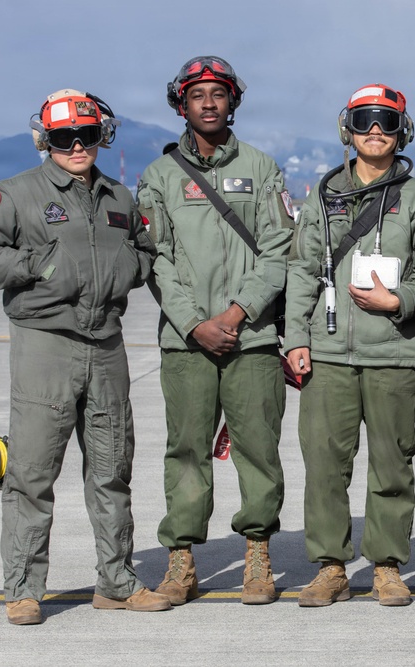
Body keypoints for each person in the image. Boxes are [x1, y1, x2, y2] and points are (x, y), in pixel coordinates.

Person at [0, 89, 169, 625]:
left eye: (88, 135)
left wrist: (126, 272)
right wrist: (43, 268)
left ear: (103, 136)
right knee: (31, 471)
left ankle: (117, 582)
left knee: (112, 468)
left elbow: (144, 254)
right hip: (45, 346)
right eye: (63, 137)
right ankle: (24, 589)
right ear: (45, 140)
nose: (77, 146)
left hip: (107, 347)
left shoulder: (120, 197)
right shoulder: (16, 194)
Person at [137, 56, 294, 606]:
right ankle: (181, 561)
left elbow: (279, 250)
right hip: (186, 343)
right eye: (197, 94)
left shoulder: (262, 167)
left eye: (218, 94)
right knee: (186, 449)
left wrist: (236, 314)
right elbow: (157, 260)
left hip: (251, 338)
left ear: (233, 101)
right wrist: (194, 324)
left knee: (258, 448)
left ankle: (257, 553)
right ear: (181, 103)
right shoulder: (159, 177)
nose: (208, 102)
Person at [284, 84, 415, 607]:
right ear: (347, 130)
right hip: (328, 354)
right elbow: (303, 269)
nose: (376, 130)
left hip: (394, 353)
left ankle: (387, 565)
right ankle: (330, 566)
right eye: (365, 120)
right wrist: (296, 338)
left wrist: (399, 302)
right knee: (325, 464)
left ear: (403, 131)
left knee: (392, 463)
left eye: (387, 121)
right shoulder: (323, 196)